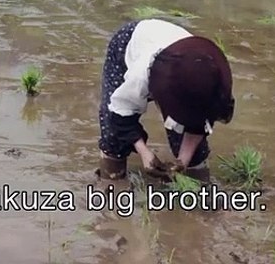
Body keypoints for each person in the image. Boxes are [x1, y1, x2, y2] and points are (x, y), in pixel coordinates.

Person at [96, 18, 235, 180]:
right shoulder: (140, 75)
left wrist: (183, 161)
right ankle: (111, 183)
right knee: (113, 134)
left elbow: (200, 121)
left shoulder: (208, 77)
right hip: (129, 43)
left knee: (192, 149)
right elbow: (120, 113)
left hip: (181, 63)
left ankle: (200, 191)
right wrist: (145, 153)